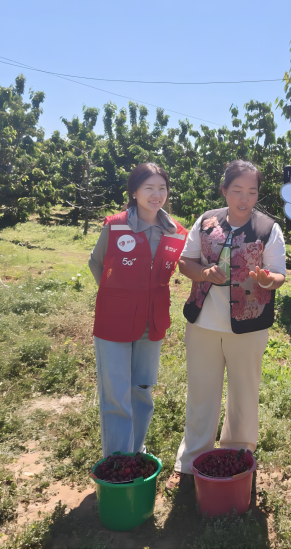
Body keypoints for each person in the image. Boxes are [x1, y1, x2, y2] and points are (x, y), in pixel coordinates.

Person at [166, 159, 286, 490]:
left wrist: (266, 279)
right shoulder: (206, 222)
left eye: (252, 191)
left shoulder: (267, 228)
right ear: (224, 191)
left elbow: (279, 273)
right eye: (237, 191)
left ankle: (238, 455)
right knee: (201, 390)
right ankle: (194, 457)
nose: (244, 198)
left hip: (249, 325)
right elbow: (186, 262)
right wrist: (203, 273)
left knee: (244, 392)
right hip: (204, 322)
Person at [88, 163, 188, 458]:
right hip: (114, 322)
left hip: (151, 322)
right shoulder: (116, 226)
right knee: (116, 394)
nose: (157, 194)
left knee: (142, 389)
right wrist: (115, 297)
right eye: (149, 188)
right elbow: (96, 262)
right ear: (134, 192)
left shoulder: (175, 232)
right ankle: (118, 462)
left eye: (162, 188)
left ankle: (136, 450)